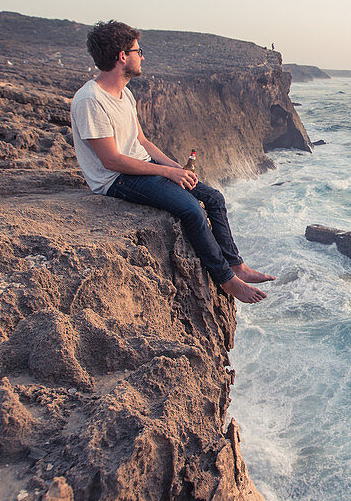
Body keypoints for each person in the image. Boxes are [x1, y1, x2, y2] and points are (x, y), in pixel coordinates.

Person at [70, 20, 273, 303]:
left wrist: (176, 168)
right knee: (192, 210)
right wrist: (165, 172)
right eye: (138, 51)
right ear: (121, 56)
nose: (142, 57)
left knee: (213, 198)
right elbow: (111, 160)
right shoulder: (90, 100)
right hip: (115, 180)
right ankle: (227, 281)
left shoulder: (124, 93)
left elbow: (141, 141)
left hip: (142, 167)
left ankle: (237, 265)